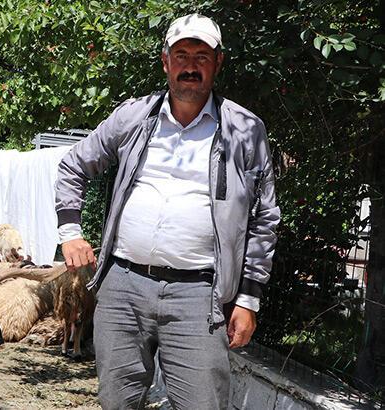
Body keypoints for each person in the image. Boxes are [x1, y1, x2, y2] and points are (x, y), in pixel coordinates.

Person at [55, 14, 280, 409]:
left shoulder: (245, 130)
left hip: (199, 297)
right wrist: (70, 231)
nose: (190, 65)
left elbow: (265, 217)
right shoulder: (134, 117)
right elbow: (75, 165)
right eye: (181, 55)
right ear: (165, 62)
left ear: (218, 63)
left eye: (201, 56)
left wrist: (248, 299)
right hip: (123, 287)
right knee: (116, 403)